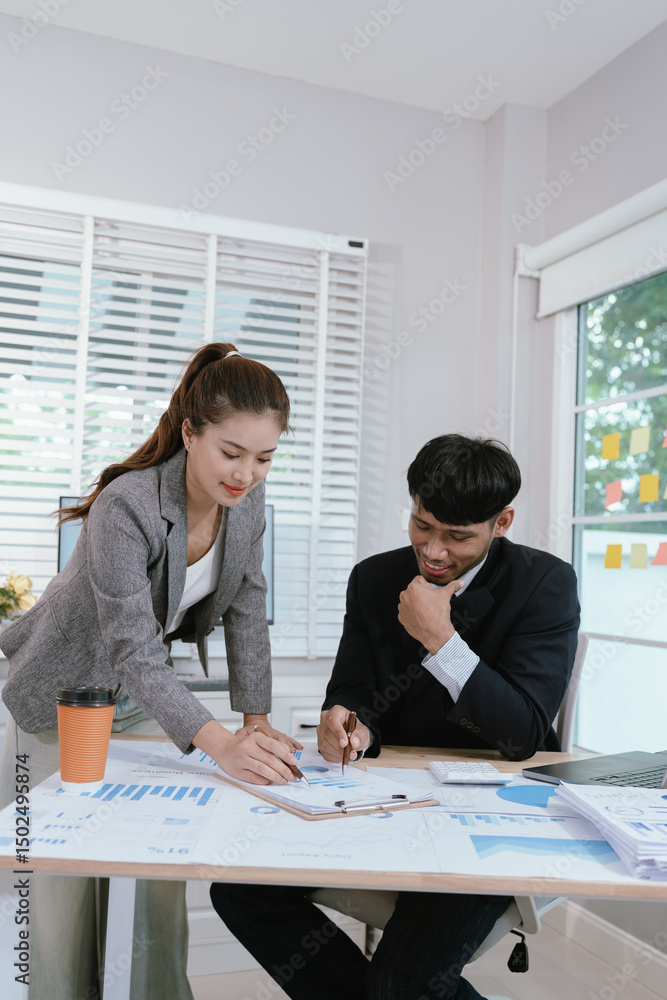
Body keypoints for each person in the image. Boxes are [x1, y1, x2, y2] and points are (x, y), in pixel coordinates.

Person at [209, 434, 581, 1000]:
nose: (433, 551)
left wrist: (441, 638)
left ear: (501, 522)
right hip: (388, 803)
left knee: (402, 983)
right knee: (239, 890)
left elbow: (522, 734)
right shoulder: (374, 578)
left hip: (486, 821)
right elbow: (353, 694)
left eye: (457, 537)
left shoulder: (545, 586)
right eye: (422, 525)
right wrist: (346, 726)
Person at [0, 342, 302, 1000]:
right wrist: (218, 744)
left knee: (157, 868)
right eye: (231, 452)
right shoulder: (127, 503)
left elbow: (247, 607)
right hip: (54, 698)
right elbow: (134, 645)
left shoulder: (243, 507)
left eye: (264, 457)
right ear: (190, 432)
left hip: (132, 701)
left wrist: (254, 723)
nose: (246, 473)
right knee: (60, 889)